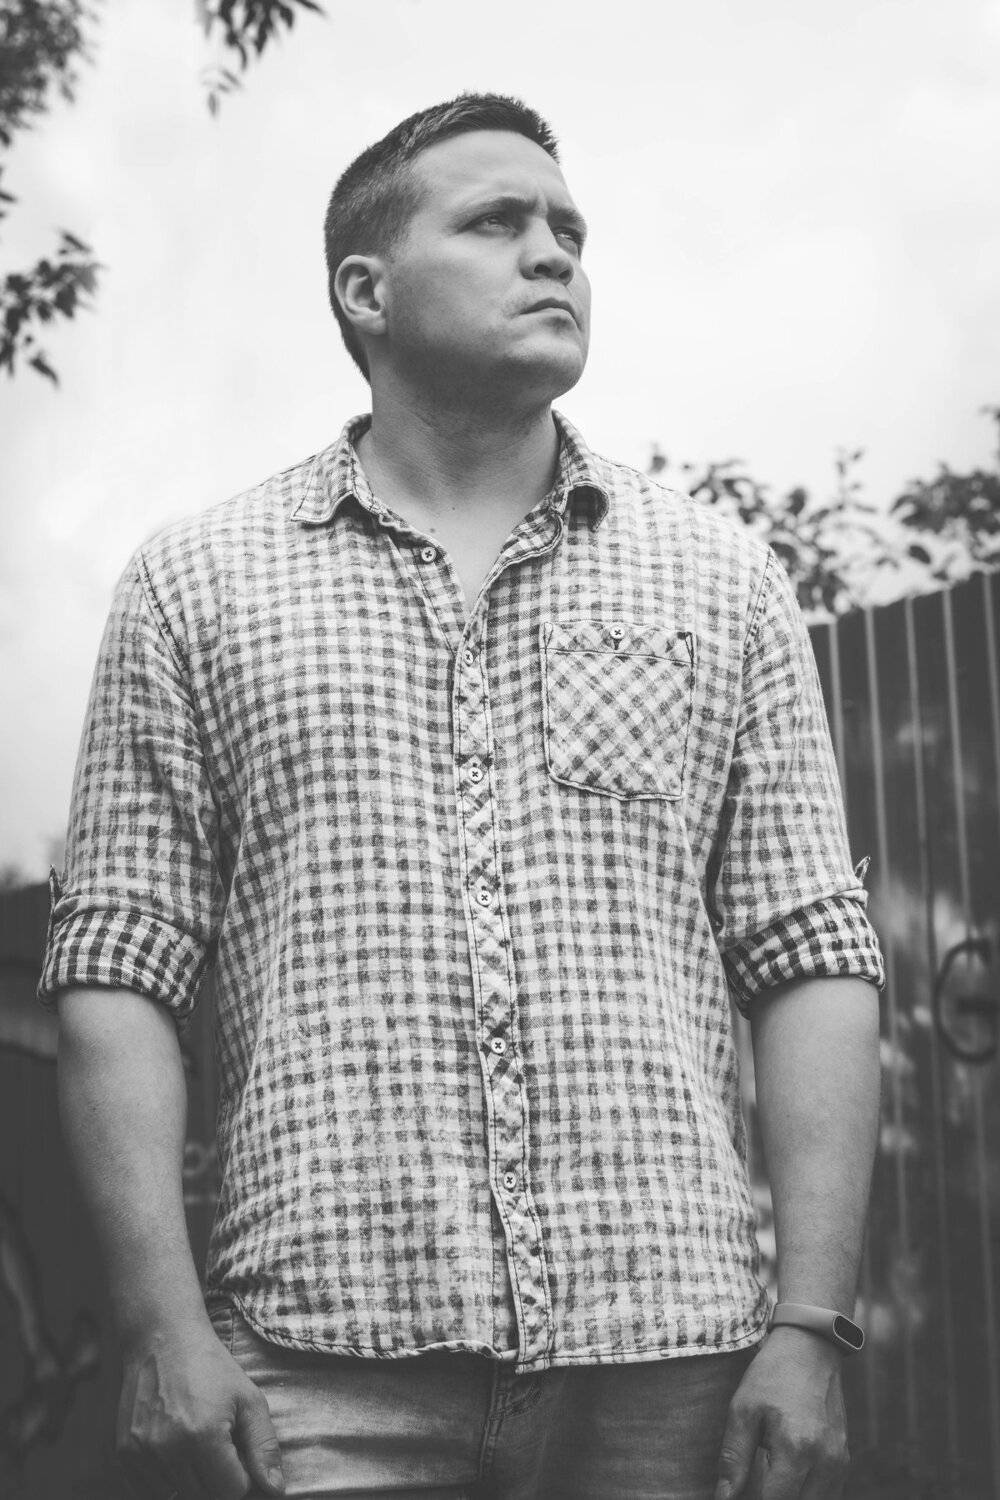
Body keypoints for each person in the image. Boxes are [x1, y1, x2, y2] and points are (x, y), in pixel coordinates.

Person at [41, 93, 884, 1500]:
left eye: (570, 232)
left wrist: (812, 1325)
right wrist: (162, 1329)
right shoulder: (198, 586)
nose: (553, 254)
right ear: (365, 292)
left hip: (676, 1367)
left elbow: (810, 957)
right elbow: (120, 969)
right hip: (313, 1375)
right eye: (497, 222)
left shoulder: (725, 582)